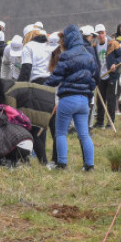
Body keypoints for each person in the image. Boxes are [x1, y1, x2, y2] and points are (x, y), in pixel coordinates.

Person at [45, 24, 97, 170]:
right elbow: (93, 78)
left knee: (61, 133)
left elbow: (56, 78)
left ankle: (62, 164)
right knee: (84, 135)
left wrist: (45, 83)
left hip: (67, 99)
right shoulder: (89, 55)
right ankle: (89, 166)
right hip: (84, 101)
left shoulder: (66, 56)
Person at [19, 24, 56, 165]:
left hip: (37, 85)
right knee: (51, 124)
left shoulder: (28, 47)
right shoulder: (48, 46)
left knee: (36, 126)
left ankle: (43, 161)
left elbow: (26, 70)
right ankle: (57, 161)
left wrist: (19, 88)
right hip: (52, 84)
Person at [93, 24, 121, 128]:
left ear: (105, 33)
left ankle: (110, 123)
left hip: (111, 75)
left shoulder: (113, 44)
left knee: (111, 99)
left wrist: (115, 63)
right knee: (100, 100)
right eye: (98, 33)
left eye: (102, 33)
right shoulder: (94, 46)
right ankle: (99, 122)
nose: (101, 35)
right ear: (96, 35)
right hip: (101, 76)